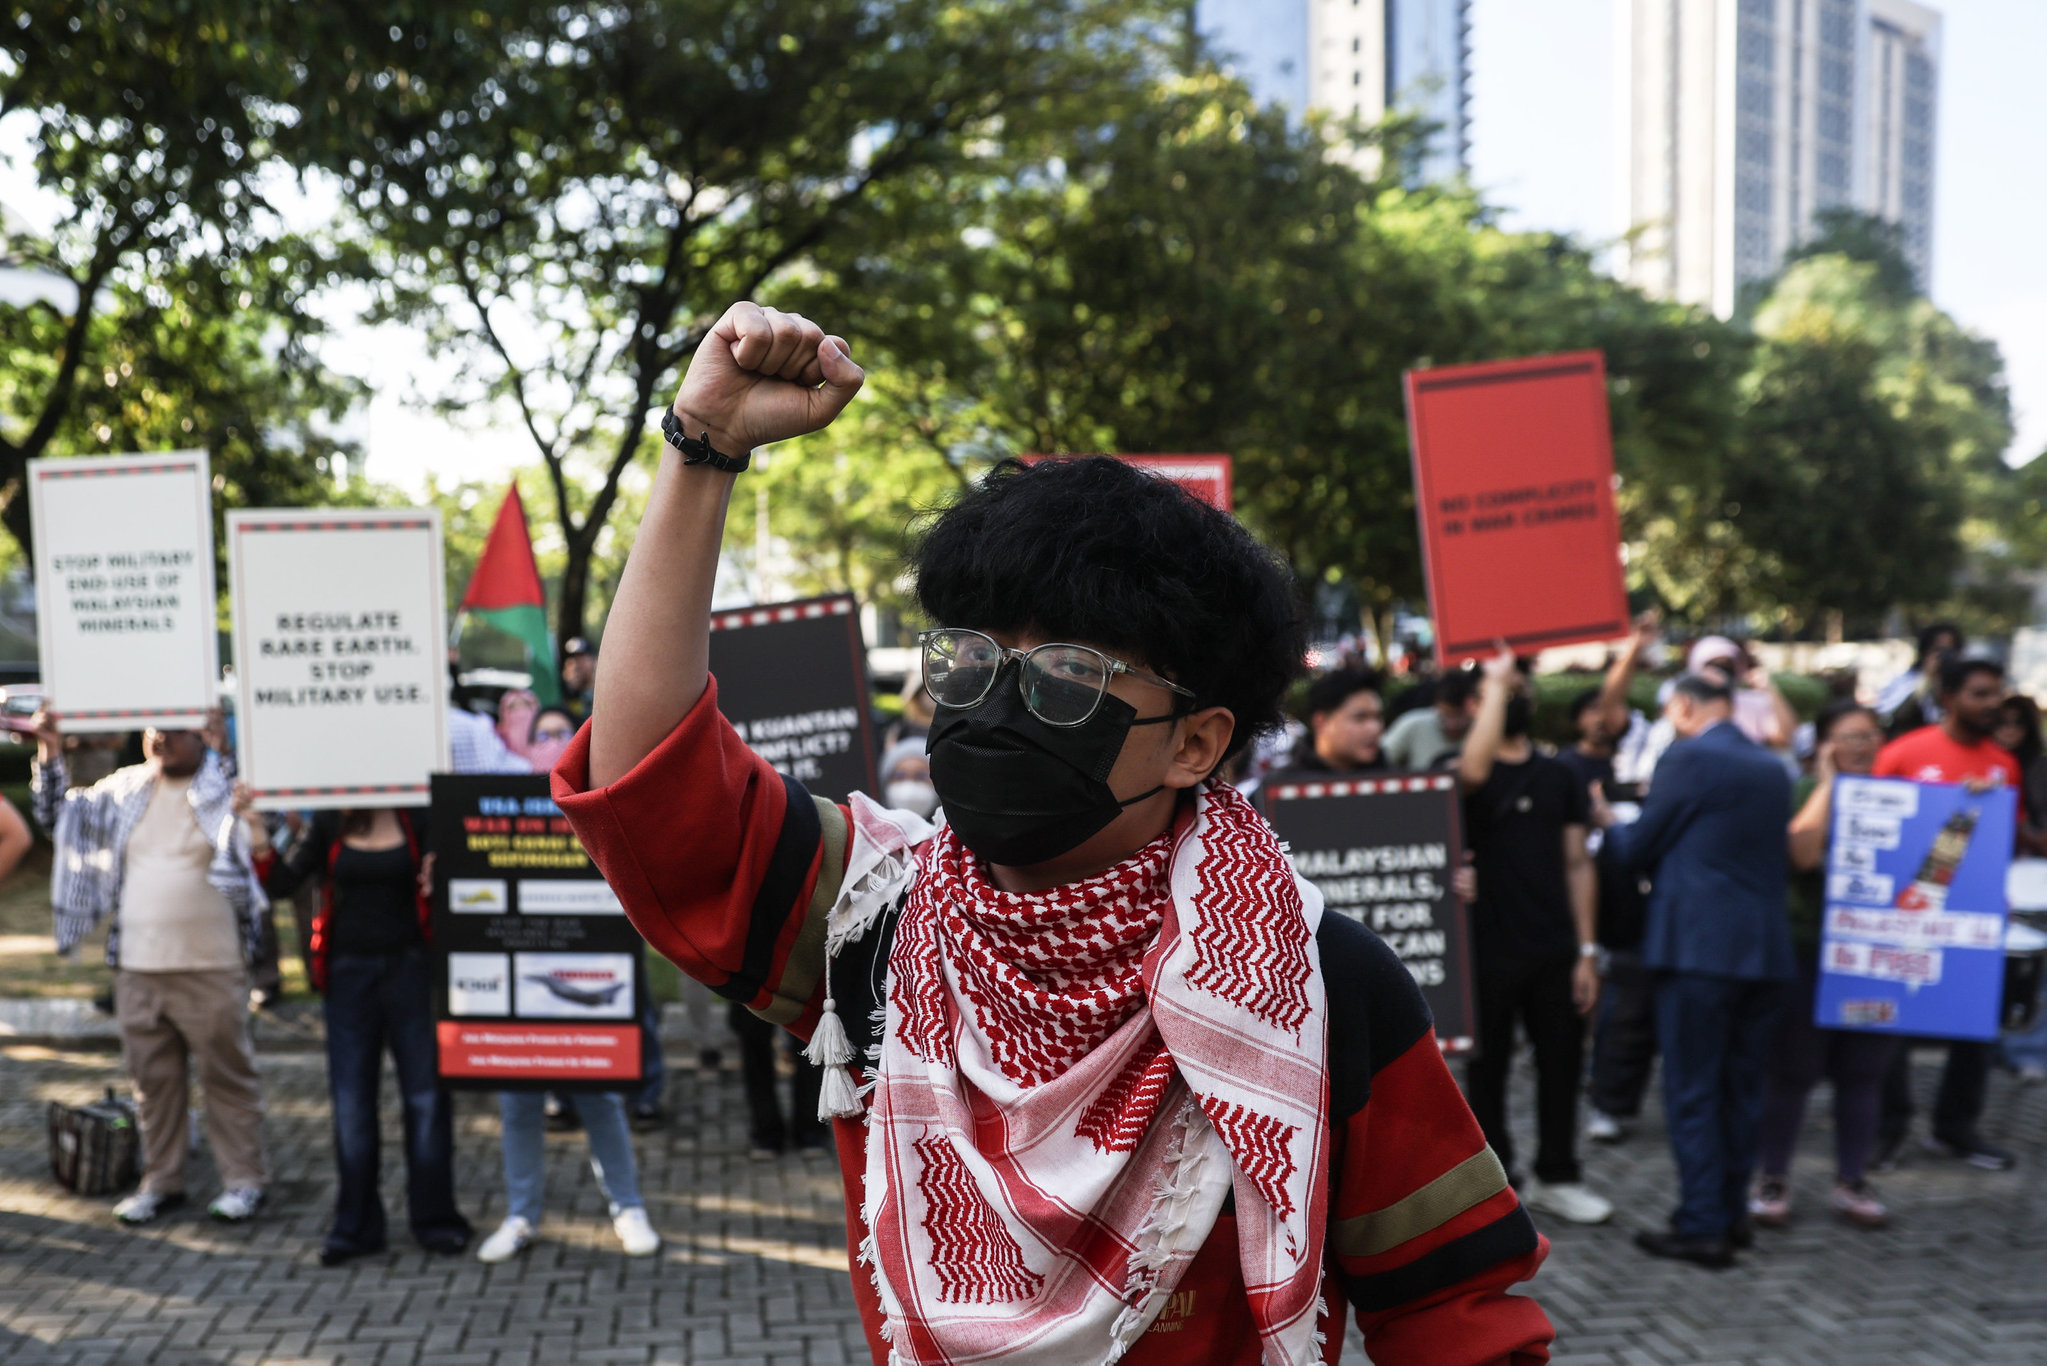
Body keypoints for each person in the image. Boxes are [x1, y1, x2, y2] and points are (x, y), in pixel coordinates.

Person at [553, 302, 1553, 1361]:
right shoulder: (877, 924)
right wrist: (703, 447)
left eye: (1069, 675)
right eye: (970, 661)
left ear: (1195, 742)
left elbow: (1456, 1314)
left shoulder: (1314, 985)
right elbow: (648, 787)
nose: (995, 706)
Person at [31, 706, 270, 1226]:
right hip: (138, 969)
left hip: (212, 967)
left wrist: (224, 746)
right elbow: (57, 819)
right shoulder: (124, 790)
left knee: (227, 1080)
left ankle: (244, 1181)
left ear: (201, 734)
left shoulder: (222, 787)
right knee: (153, 1086)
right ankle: (161, 1182)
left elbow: (249, 811)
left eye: (175, 729)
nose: (161, 738)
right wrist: (49, 749)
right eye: (153, 728)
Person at [1599, 671, 1794, 1268]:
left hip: (1698, 951)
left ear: (1683, 705)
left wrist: (1608, 823)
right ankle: (1730, 1216)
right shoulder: (1772, 766)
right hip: (1764, 950)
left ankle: (1702, 1223)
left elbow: (1638, 848)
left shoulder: (1687, 757)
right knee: (1742, 1090)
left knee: (1693, 1089)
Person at [242, 796, 473, 1263]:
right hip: (349, 978)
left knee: (427, 1100)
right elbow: (282, 884)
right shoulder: (331, 818)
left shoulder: (421, 815)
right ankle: (356, 1226)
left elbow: (456, 882)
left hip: (413, 971)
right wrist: (259, 835)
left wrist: (441, 873)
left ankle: (435, 1220)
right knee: (352, 1105)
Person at [1456, 648, 1610, 1226]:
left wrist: (1587, 950)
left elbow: (1578, 863)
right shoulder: (1459, 767)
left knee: (1562, 1064)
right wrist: (1496, 686)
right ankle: (1495, 1182)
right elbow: (1472, 775)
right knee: (1488, 1071)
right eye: (1501, 691)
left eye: (1520, 689)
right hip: (1485, 948)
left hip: (1553, 947)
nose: (1513, 697)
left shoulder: (1560, 774)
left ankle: (1558, 1174)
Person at [1749, 703, 1902, 1229]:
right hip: (1808, 954)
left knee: (1864, 1072)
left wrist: (1974, 803)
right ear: (1821, 744)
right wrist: (1829, 787)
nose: (1862, 745)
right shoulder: (1798, 793)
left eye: (1870, 735)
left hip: (1872, 959)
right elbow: (1802, 855)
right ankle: (1773, 1178)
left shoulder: (1898, 797)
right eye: (1849, 736)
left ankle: (1852, 1180)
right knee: (1792, 1071)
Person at [1871, 656, 2023, 1172]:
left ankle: (1955, 1128)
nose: (1993, 704)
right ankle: (1887, 1127)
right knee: (1891, 1020)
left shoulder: (2004, 764)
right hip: (1907, 911)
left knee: (1974, 1022)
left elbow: (2007, 838)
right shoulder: (1903, 753)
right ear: (1949, 697)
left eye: (1996, 693)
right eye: (1980, 694)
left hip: (1972, 912)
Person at [1551, 623, 1660, 1145]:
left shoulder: (1641, 752)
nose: (1601, 718)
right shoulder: (1565, 767)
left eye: (1607, 711)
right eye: (1590, 711)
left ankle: (1611, 1085)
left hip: (1638, 892)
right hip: (1591, 889)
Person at [1288, 667, 1389, 773]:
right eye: (1360, 718)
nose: (1375, 728)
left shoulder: (1394, 780)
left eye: (1378, 717)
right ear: (1321, 722)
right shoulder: (1286, 782)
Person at [1876, 621, 1963, 739]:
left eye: (1950, 651)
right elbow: (1890, 713)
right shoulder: (1906, 679)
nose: (1944, 657)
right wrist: (1926, 678)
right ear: (1925, 651)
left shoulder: (1964, 681)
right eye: (1938, 650)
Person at [1383, 666, 1480, 771]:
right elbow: (1382, 757)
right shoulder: (1412, 724)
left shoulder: (1482, 729)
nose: (1452, 724)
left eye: (1459, 716)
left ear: (1473, 708)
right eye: (1445, 716)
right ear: (1436, 706)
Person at [561, 637, 597, 723]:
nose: (575, 663)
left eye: (581, 657)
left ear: (594, 660)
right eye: (571, 658)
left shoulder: (600, 691)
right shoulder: (563, 693)